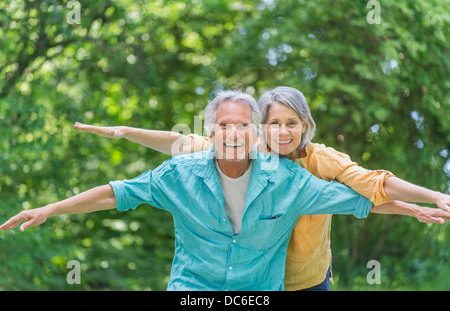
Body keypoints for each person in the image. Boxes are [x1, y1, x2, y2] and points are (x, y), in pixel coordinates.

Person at [2, 90, 401, 290]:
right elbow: (116, 193)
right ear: (211, 131)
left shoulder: (288, 180)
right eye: (224, 125)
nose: (232, 133)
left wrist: (417, 208)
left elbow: (359, 200)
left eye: (242, 125)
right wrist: (50, 209)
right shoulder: (181, 174)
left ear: (256, 132)